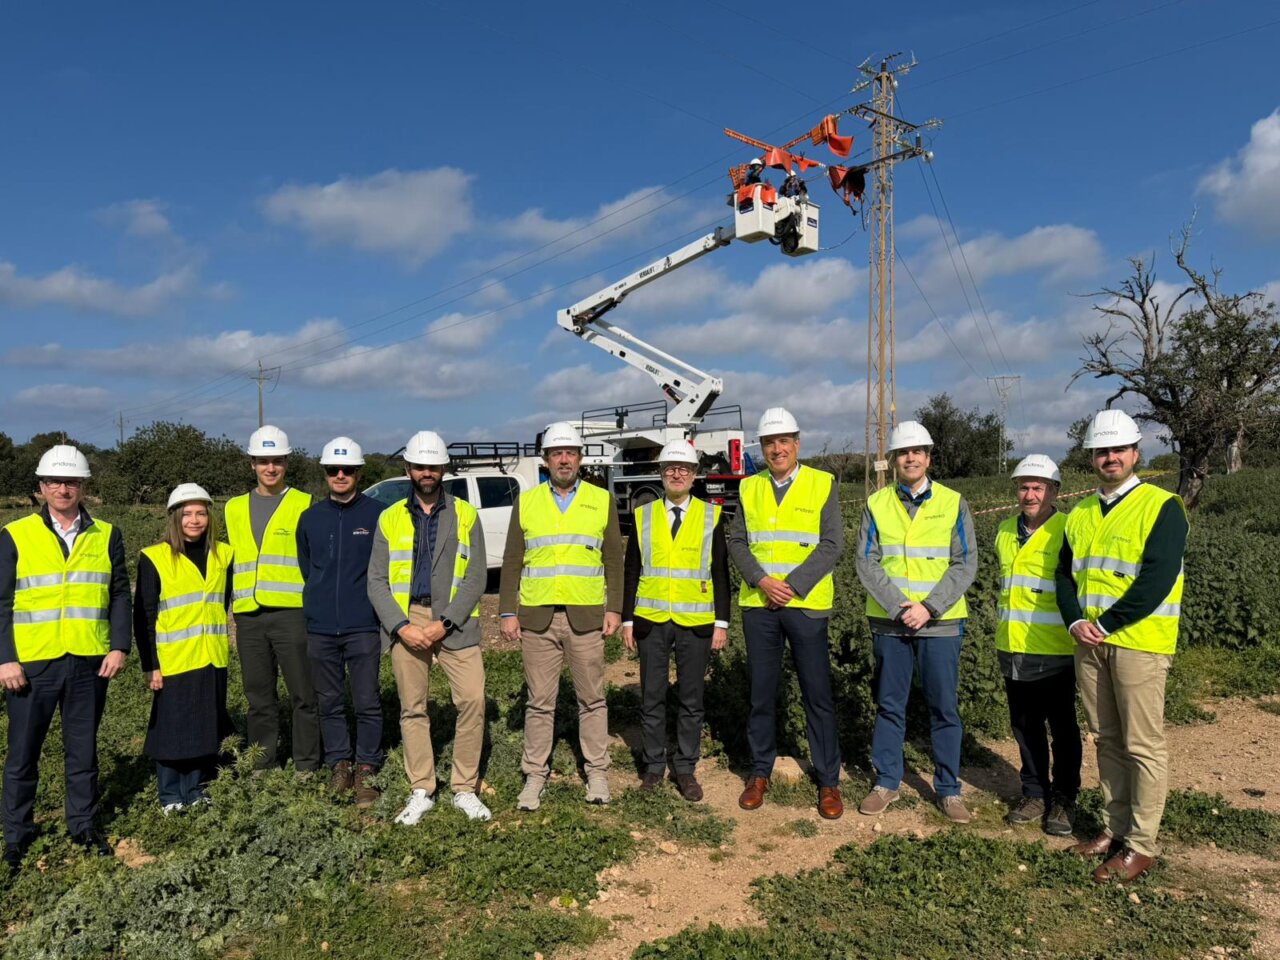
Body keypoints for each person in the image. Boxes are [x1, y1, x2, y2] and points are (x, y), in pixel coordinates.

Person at [1058, 409, 1188, 883]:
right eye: (1101, 451)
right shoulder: (1081, 512)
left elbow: (1157, 576)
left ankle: (1141, 844)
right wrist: (1075, 619)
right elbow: (1064, 575)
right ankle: (1113, 829)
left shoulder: (1162, 505)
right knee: (1106, 738)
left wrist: (1107, 623)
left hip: (1138, 642)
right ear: (1091, 457)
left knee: (1142, 744)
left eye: (1118, 450)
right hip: (1090, 642)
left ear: (1135, 452)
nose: (1109, 458)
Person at [0, 445, 131, 870]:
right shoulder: (15, 534)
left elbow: (118, 594)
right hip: (31, 665)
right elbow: (1, 603)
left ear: (83, 487)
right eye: (54, 482)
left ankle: (83, 826)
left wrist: (118, 645)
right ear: (41, 487)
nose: (62, 488)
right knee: (22, 755)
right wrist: (6, 659)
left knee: (83, 751)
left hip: (87, 661)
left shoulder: (107, 534)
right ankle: (16, 838)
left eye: (71, 481)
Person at [855, 420, 978, 823]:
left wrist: (929, 606)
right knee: (890, 705)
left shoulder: (953, 502)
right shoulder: (876, 503)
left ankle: (948, 788)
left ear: (928, 457)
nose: (910, 457)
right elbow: (866, 562)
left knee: (944, 707)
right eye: (903, 452)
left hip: (939, 623)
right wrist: (898, 606)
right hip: (891, 622)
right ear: (893, 460)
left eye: (918, 451)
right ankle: (887, 780)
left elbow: (965, 564)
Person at [727, 408, 844, 820]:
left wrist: (791, 585)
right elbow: (737, 541)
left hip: (806, 604)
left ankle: (829, 780)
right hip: (760, 605)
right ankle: (760, 772)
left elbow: (832, 544)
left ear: (797, 443)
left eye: (784, 441)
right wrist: (761, 581)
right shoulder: (749, 487)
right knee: (761, 692)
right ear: (762, 448)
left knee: (817, 693)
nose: (777, 449)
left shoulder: (821, 483)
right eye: (769, 443)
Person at [368, 431, 490, 824]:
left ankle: (465, 788)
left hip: (453, 621)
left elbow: (475, 577)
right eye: (420, 466)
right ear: (408, 470)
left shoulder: (466, 515)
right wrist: (401, 626)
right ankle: (422, 787)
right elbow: (376, 581)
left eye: (433, 467)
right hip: (408, 619)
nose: (426, 473)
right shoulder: (389, 518)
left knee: (472, 699)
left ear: (443, 470)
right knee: (412, 708)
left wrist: (446, 623)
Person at [500, 421, 624, 811]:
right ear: (546, 460)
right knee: (540, 702)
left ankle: (597, 772)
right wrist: (507, 610)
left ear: (581, 458)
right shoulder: (529, 501)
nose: (565, 459)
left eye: (571, 452)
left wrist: (615, 608)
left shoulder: (601, 499)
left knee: (592, 699)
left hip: (585, 617)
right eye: (557, 453)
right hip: (537, 617)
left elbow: (612, 560)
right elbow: (512, 560)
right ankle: (535, 775)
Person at [621, 439, 730, 802]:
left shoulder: (711, 516)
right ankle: (653, 768)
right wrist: (626, 620)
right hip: (650, 621)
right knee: (651, 697)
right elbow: (632, 569)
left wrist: (722, 623)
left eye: (684, 468)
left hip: (696, 623)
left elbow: (720, 573)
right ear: (661, 473)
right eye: (670, 468)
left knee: (691, 699)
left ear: (695, 474)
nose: (677, 473)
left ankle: (685, 768)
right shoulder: (643, 515)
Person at [223, 425, 319, 772]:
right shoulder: (232, 508)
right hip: (248, 616)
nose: (270, 468)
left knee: (303, 694)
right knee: (258, 696)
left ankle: (307, 764)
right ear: (252, 464)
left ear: (286, 463)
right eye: (263, 461)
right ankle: (264, 764)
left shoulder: (304, 504)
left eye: (277, 461)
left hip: (292, 614)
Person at [994, 455, 1080, 836]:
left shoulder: (1068, 530)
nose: (1029, 494)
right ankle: (1033, 792)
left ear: (1054, 491)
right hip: (1012, 646)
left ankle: (1064, 798)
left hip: (1056, 648)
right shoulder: (1003, 530)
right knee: (1024, 725)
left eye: (1038, 487)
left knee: (1061, 727)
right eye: (1024, 486)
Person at [134, 484, 234, 813]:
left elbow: (222, 603)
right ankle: (170, 795)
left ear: (209, 516)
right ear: (174, 517)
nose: (194, 520)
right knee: (172, 729)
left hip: (212, 656)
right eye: (187, 514)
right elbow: (144, 617)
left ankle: (196, 790)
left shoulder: (223, 554)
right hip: (174, 660)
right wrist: (152, 665)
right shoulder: (155, 557)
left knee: (205, 728)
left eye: (201, 513)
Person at [297, 437, 385, 807]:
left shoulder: (378, 514)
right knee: (329, 702)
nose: (340, 475)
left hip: (363, 624)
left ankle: (367, 767)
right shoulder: (310, 518)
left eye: (347, 469)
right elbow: (308, 567)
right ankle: (339, 764)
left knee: (366, 701)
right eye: (333, 469)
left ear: (359, 473)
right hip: (320, 626)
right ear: (325, 473)